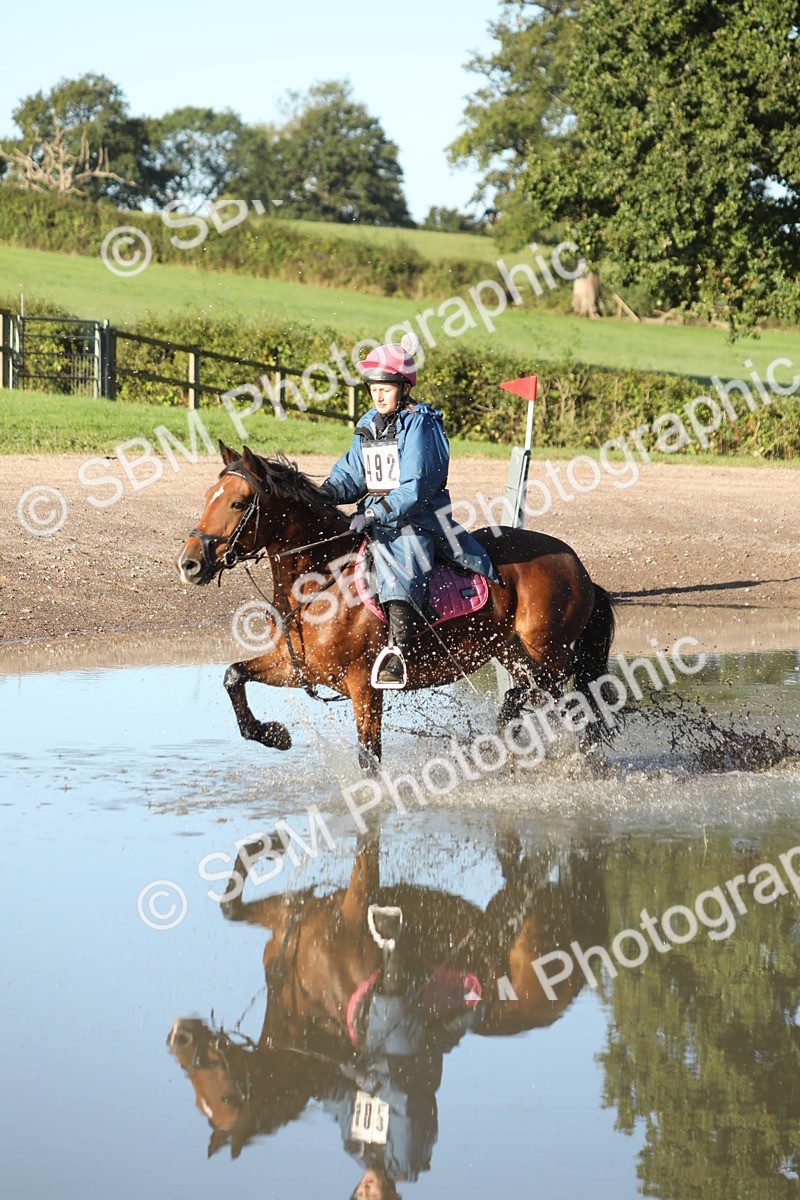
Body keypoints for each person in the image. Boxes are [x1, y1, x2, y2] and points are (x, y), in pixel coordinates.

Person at [321, 334, 499, 686]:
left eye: (385, 388)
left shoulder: (422, 423)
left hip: (418, 519)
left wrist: (374, 513)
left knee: (398, 557)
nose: (378, 395)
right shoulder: (369, 424)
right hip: (376, 515)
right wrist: (324, 493)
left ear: (403, 388)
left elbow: (416, 487)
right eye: (374, 388)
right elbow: (353, 474)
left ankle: (399, 653)